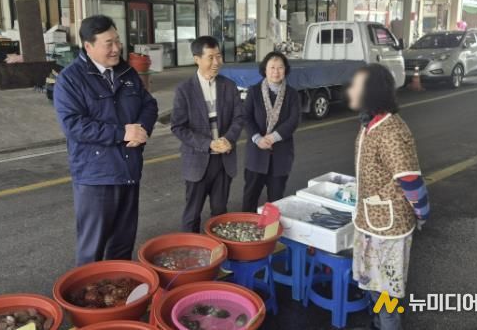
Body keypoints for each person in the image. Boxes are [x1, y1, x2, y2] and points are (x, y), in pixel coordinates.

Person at [54, 15, 158, 266]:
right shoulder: (70, 79)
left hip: (129, 171)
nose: (116, 48)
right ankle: (87, 292)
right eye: (108, 43)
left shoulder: (126, 72)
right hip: (96, 176)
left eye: (117, 41)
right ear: (88, 46)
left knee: (122, 244)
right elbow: (73, 125)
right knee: (92, 249)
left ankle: (118, 290)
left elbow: (149, 104)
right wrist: (122, 133)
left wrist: (141, 129)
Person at [346, 63, 430, 330]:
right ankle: (378, 322)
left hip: (389, 227)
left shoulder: (391, 131)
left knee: (387, 292)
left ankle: (388, 325)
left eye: (356, 85)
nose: (351, 90)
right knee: (373, 282)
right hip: (370, 220)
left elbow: (410, 180)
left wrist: (422, 213)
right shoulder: (369, 123)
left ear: (371, 91)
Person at [171, 36, 244, 232]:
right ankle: (191, 249)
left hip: (223, 162)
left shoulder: (229, 86)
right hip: (198, 160)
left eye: (218, 56)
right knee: (192, 214)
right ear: (197, 59)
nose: (216, 62)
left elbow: (239, 118)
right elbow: (178, 127)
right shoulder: (184, 90)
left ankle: (217, 248)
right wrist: (208, 144)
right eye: (210, 57)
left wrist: (229, 139)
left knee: (220, 213)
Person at [242, 52, 300, 212]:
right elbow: (246, 117)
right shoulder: (254, 91)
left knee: (276, 201)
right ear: (265, 70)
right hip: (256, 154)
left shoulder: (292, 94)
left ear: (285, 70)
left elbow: (294, 120)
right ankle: (247, 226)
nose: (276, 72)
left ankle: (270, 228)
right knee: (250, 198)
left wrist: (273, 138)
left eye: (280, 67)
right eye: (272, 67)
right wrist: (257, 138)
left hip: (280, 157)